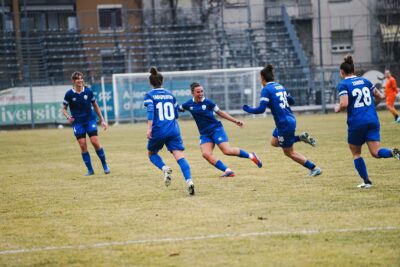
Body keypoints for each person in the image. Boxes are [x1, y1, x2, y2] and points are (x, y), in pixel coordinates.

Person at [242, 64, 321, 177]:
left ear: (263, 78)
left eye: (260, 77)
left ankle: (314, 168)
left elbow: (261, 109)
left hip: (284, 123)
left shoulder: (266, 90)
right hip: (287, 120)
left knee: (289, 152)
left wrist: (248, 109)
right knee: (274, 142)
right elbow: (292, 101)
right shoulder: (280, 86)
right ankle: (300, 138)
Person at [334, 56, 400, 188]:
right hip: (372, 119)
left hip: (357, 122)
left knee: (356, 153)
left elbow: (344, 103)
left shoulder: (343, 84)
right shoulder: (365, 81)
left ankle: (367, 182)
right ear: (353, 69)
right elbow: (380, 96)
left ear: (342, 72)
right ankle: (393, 152)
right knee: (376, 152)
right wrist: (370, 107)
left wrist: (338, 108)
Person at [179, 82, 262, 177]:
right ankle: (228, 171)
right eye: (198, 92)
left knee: (227, 151)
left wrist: (235, 121)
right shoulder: (188, 104)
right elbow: (179, 108)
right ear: (192, 93)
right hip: (204, 134)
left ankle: (251, 156)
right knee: (206, 154)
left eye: (202, 91)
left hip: (216, 129)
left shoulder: (209, 103)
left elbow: (221, 113)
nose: (201, 94)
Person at [143, 67, 195, 195]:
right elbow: (176, 114)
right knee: (180, 157)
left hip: (158, 130)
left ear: (151, 83)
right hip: (173, 130)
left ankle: (165, 168)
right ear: (162, 81)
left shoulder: (149, 95)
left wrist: (149, 128)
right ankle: (189, 181)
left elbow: (150, 111)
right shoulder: (170, 95)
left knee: (151, 154)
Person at [62, 71, 110, 176]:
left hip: (89, 121)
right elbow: (64, 109)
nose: (80, 80)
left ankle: (105, 165)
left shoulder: (88, 91)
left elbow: (96, 106)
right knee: (83, 146)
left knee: (95, 142)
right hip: (78, 123)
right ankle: (90, 170)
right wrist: (68, 117)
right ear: (73, 81)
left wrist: (102, 120)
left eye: (81, 78)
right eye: (78, 79)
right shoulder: (69, 94)